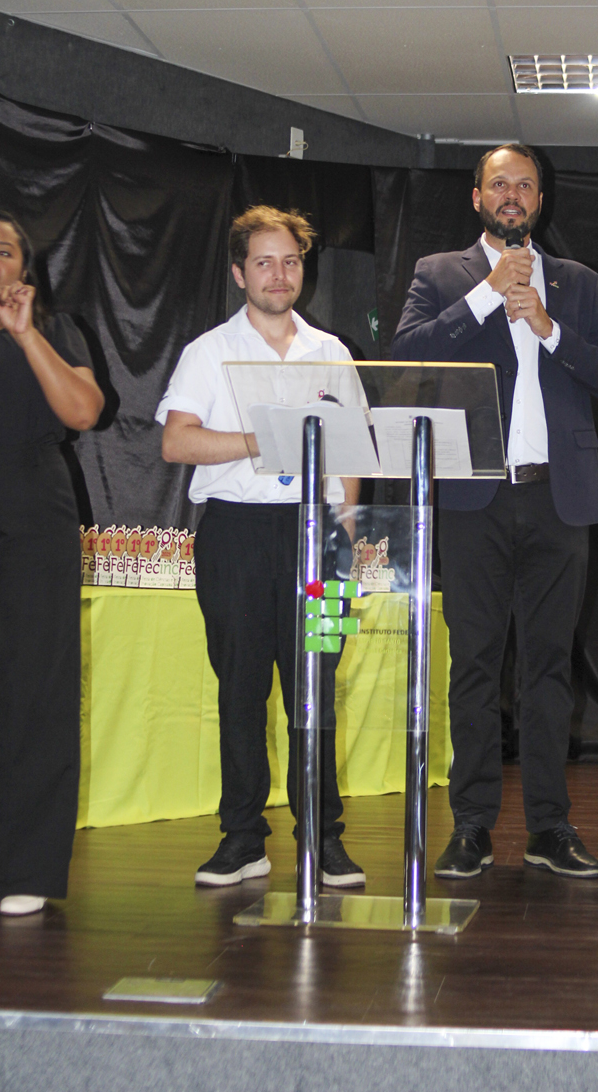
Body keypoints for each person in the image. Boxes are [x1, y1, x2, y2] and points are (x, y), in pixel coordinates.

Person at [391, 145, 598, 879]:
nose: (513, 195)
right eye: (500, 183)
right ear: (477, 197)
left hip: (559, 498)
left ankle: (549, 827)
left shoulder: (581, 284)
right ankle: (471, 826)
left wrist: (551, 328)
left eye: (525, 184)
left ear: (539, 199)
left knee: (550, 667)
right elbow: (406, 360)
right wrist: (487, 296)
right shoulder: (441, 274)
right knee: (474, 663)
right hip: (475, 498)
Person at [157, 205, 365, 889]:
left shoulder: (331, 351)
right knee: (241, 690)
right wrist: (262, 440)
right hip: (237, 535)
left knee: (317, 689)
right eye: (265, 262)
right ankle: (243, 839)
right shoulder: (208, 352)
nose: (279, 274)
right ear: (239, 273)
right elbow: (176, 441)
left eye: (291, 261)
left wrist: (346, 526)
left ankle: (323, 838)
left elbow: (352, 449)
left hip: (318, 538)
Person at [0, 210, 104, 917]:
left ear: (23, 269)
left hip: (32, 510)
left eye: (3, 251)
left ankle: (24, 866)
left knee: (34, 685)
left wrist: (25, 333)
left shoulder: (55, 329)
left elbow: (84, 412)